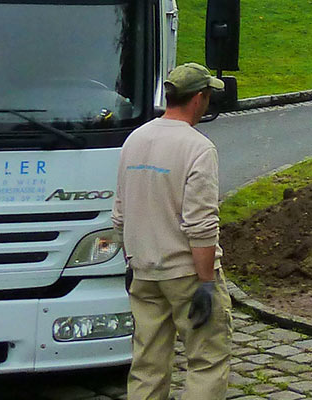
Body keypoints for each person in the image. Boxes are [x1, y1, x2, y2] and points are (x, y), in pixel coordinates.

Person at [113, 63, 232, 400]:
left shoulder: (135, 139)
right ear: (198, 98)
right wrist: (207, 282)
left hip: (143, 270)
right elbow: (201, 224)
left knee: (147, 364)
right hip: (186, 275)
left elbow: (120, 214)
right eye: (208, 97)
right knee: (207, 360)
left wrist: (130, 262)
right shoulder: (198, 148)